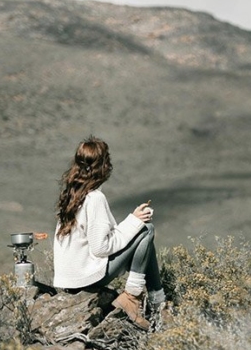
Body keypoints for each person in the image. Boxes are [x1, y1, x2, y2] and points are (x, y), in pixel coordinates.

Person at [53, 136, 168, 330]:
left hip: (68, 280)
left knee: (142, 232)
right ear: (104, 166)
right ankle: (136, 298)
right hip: (86, 277)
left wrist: (133, 219)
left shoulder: (73, 195)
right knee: (146, 229)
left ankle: (158, 302)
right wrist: (135, 221)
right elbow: (100, 248)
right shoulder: (94, 198)